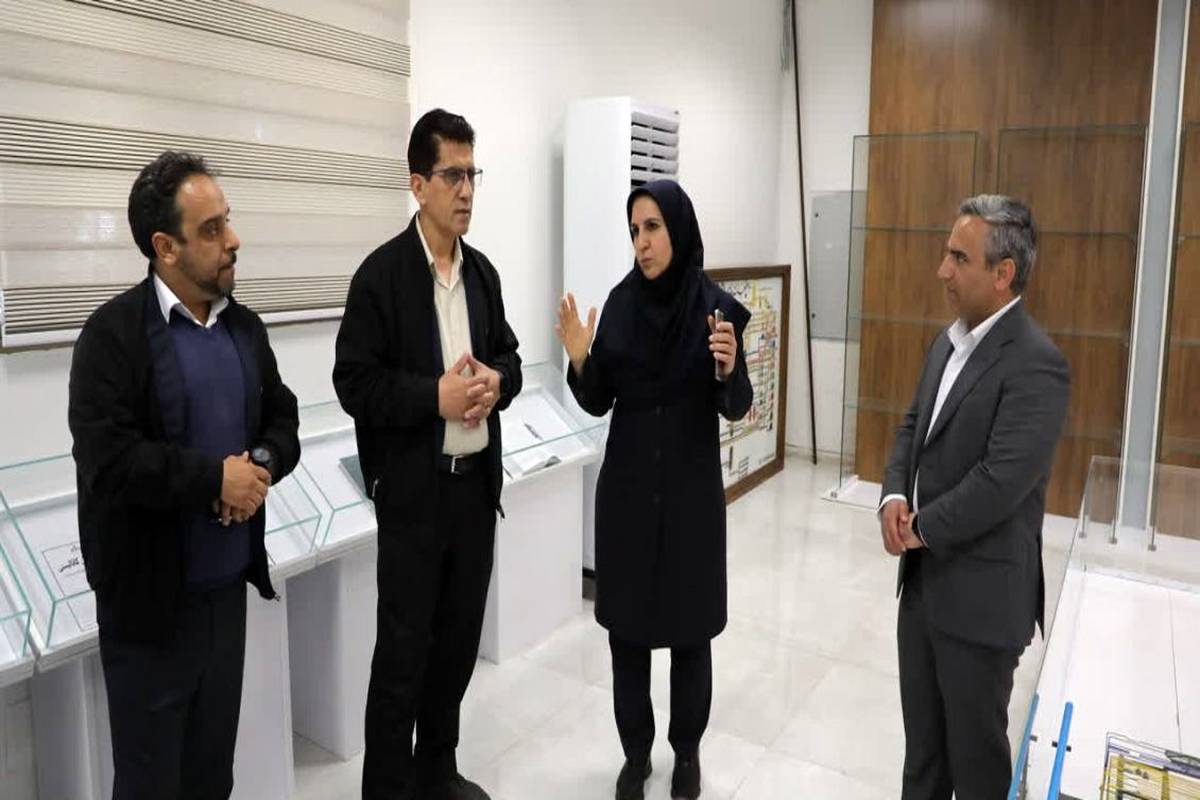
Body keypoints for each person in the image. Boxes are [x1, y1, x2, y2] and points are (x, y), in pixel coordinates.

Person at [68, 150, 301, 799]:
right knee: (149, 784)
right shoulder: (111, 337)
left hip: (225, 599)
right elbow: (111, 461)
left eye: (228, 220)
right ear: (165, 247)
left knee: (210, 777)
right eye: (211, 230)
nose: (233, 240)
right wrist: (213, 481)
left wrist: (259, 466)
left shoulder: (244, 328)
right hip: (149, 614)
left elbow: (282, 418)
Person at [333, 108, 522, 800]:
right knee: (402, 657)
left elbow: (511, 358)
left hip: (474, 493)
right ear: (418, 184)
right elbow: (354, 383)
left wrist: (498, 382)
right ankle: (387, 787)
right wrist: (432, 397)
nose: (466, 190)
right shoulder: (380, 277)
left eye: (473, 174)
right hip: (415, 498)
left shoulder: (483, 275)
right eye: (452, 175)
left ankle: (438, 772)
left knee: (456, 646)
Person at [556, 179, 752, 800]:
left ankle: (686, 753)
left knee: (691, 634)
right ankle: (635, 754)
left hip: (691, 499)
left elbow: (737, 405)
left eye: (652, 228)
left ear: (679, 229)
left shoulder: (716, 310)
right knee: (629, 636)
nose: (641, 243)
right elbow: (597, 400)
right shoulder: (620, 306)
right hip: (629, 497)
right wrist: (581, 359)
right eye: (634, 231)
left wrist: (729, 367)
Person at [878, 194, 1070, 799]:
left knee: (977, 768)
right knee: (922, 760)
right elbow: (913, 426)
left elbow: (999, 482)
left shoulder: (1038, 365)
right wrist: (891, 497)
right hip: (923, 592)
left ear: (1003, 273)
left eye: (959, 258)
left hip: (982, 605)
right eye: (946, 254)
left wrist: (920, 527)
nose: (943, 270)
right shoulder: (947, 343)